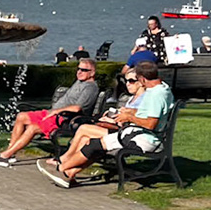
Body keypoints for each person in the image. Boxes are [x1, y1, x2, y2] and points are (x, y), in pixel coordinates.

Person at [42, 55, 173, 187]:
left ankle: (61, 168)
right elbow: (149, 113)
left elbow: (150, 124)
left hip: (143, 139)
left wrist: (129, 118)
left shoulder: (156, 95)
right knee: (95, 145)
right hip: (137, 133)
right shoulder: (161, 89)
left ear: (142, 79)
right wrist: (130, 112)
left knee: (94, 145)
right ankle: (68, 174)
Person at [0, 59, 102, 165]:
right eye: (78, 69)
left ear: (92, 73)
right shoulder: (80, 82)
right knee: (21, 116)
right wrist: (53, 111)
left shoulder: (90, 88)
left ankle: (5, 156)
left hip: (66, 119)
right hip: (54, 113)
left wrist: (56, 111)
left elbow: (77, 108)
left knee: (33, 128)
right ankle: (10, 152)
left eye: (84, 70)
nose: (79, 72)